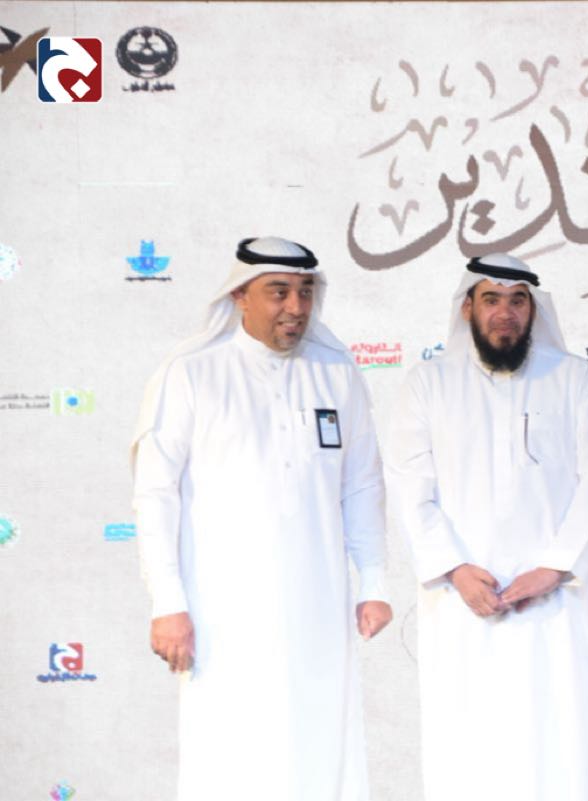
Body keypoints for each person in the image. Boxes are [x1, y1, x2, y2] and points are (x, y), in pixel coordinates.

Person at [131, 236, 392, 801]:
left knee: (321, 743)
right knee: (234, 749)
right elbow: (155, 495)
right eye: (279, 292)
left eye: (305, 292)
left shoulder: (337, 373)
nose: (296, 307)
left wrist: (373, 584)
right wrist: (168, 603)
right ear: (239, 296)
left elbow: (362, 485)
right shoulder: (192, 373)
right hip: (224, 611)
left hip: (319, 607)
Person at [386, 253, 588, 801]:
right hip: (462, 603)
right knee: (470, 742)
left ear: (533, 310)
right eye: (491, 300)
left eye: (518, 301)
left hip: (556, 604)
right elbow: (410, 486)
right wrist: (455, 569)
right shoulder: (428, 383)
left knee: (559, 740)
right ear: (468, 308)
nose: (505, 313)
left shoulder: (575, 378)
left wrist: (556, 566)